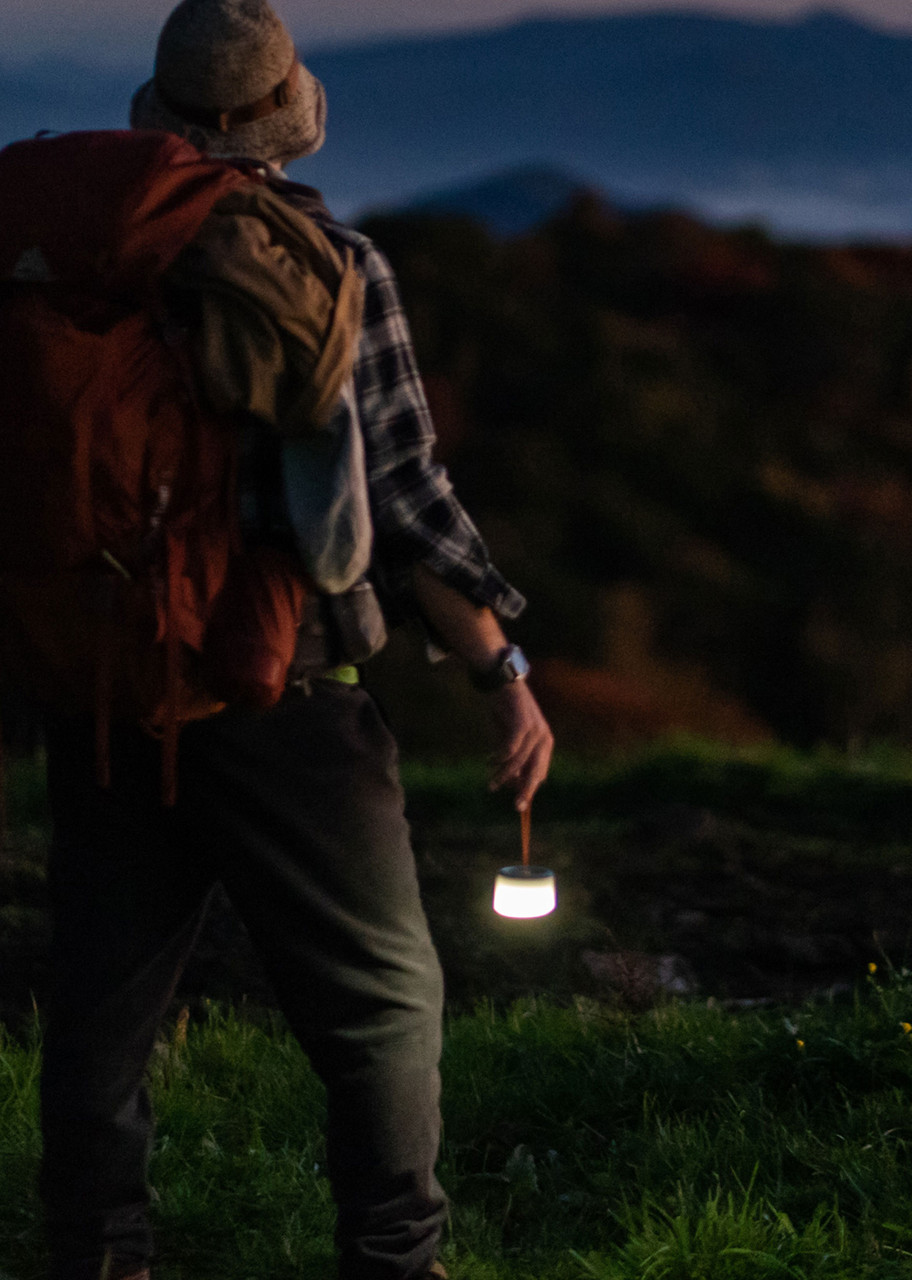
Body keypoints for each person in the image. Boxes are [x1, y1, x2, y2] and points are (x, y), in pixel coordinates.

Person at [36, 1, 554, 1277]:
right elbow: (411, 501)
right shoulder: (332, 265)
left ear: (158, 118)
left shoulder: (62, 266)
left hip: (105, 683)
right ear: (285, 119)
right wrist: (504, 673)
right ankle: (395, 1258)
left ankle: (94, 1255)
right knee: (382, 1004)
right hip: (286, 693)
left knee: (102, 1012)